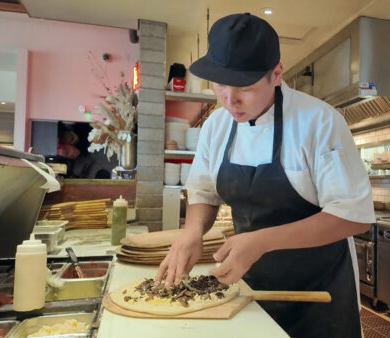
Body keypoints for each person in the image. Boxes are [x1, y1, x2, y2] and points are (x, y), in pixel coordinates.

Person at [155, 13, 375, 338]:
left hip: (319, 298)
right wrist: (192, 233)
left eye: (244, 86)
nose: (230, 100)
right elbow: (203, 192)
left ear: (276, 74)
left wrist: (262, 241)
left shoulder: (319, 122)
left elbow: (354, 217)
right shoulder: (217, 125)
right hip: (249, 287)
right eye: (220, 85)